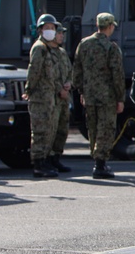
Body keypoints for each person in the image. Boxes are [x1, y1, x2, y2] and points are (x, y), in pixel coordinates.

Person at [72, 12, 125, 179]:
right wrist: (120, 98)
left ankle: (96, 160)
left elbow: (77, 71)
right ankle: (100, 164)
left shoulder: (84, 44)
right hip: (107, 96)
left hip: (90, 95)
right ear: (109, 27)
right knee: (106, 128)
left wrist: (81, 91)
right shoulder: (111, 48)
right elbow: (117, 75)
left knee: (93, 128)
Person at [23, 14, 62, 178]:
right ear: (40, 30)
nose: (50, 31)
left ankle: (44, 160)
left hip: (48, 98)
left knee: (48, 131)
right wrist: (29, 89)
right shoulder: (39, 47)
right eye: (47, 28)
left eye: (52, 28)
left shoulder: (48, 48)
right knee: (39, 132)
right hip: (40, 98)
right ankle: (38, 164)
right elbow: (34, 71)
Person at [50, 23, 73, 173]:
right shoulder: (46, 52)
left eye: (62, 33)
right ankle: (48, 159)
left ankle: (56, 158)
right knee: (51, 130)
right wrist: (60, 89)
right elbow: (49, 75)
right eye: (59, 33)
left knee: (62, 130)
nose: (61, 36)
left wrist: (69, 83)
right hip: (53, 98)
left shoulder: (63, 53)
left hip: (64, 98)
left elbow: (70, 71)